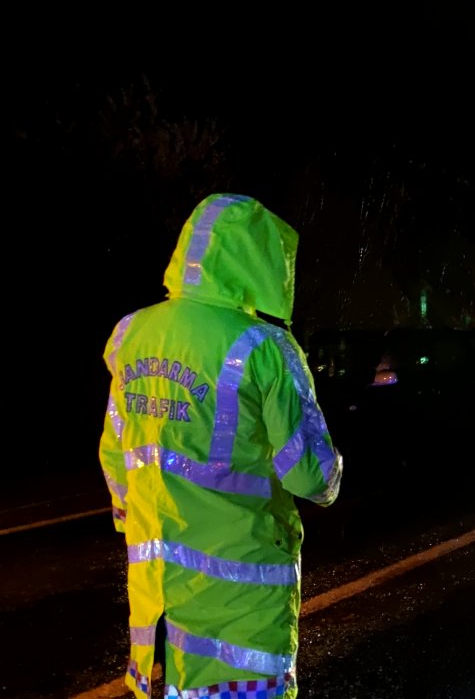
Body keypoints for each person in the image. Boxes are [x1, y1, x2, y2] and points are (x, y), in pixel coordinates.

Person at [99, 194, 341, 699]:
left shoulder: (130, 335)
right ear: (258, 262)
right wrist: (334, 470)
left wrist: (137, 518)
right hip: (241, 611)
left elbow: (116, 455)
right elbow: (311, 478)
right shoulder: (265, 348)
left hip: (158, 609)